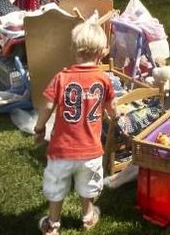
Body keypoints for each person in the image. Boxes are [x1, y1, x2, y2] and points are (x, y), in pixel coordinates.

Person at [33, 20, 118, 234]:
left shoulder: (61, 77)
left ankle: (53, 224)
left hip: (62, 150)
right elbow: (112, 107)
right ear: (102, 52)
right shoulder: (103, 78)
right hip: (90, 150)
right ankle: (88, 217)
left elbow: (48, 105)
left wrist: (39, 127)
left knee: (56, 185)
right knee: (88, 184)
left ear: (74, 49)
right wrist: (117, 116)